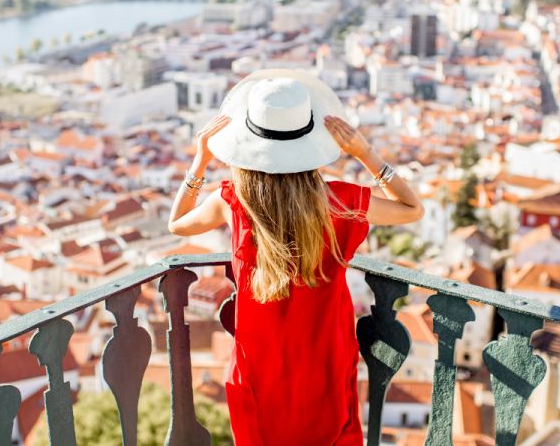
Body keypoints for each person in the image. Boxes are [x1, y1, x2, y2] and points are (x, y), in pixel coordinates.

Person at [167, 69, 423, 445]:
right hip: (324, 358)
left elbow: (177, 224)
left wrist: (201, 159)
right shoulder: (339, 201)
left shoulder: (231, 200)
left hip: (259, 363)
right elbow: (411, 208)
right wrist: (366, 153)